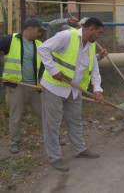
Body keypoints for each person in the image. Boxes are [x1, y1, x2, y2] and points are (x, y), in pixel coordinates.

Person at [37, 17, 105, 172]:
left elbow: (94, 70)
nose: (99, 36)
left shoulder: (91, 46)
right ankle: (55, 158)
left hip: (74, 90)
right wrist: (53, 70)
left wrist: (97, 89)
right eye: (99, 32)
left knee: (75, 121)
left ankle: (80, 149)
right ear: (91, 29)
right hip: (54, 87)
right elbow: (42, 49)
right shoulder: (67, 36)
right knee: (52, 125)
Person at [0, 18, 46, 154]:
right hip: (16, 87)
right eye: (38, 31)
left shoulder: (39, 44)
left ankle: (51, 138)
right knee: (16, 117)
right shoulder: (10, 40)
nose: (39, 34)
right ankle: (14, 142)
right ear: (30, 29)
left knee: (44, 115)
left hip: (35, 88)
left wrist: (42, 76)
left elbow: (43, 64)